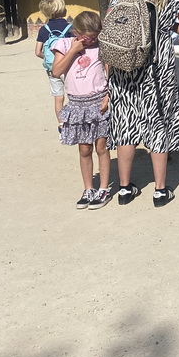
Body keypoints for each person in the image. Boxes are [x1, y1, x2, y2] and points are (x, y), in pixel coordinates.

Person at [108, 0, 179, 208]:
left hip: (126, 66)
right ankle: (159, 190)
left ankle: (124, 189)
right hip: (158, 68)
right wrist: (170, 28)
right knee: (158, 126)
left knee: (126, 126)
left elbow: (110, 25)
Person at [51, 11, 111, 209]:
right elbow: (56, 71)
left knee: (101, 147)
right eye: (87, 37)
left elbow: (110, 74)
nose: (91, 41)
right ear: (76, 32)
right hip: (77, 104)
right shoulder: (65, 44)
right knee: (84, 148)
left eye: (94, 37)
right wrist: (74, 50)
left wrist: (108, 95)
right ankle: (88, 188)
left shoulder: (101, 47)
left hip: (98, 102)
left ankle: (103, 188)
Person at [35, 0, 70, 130]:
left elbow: (37, 52)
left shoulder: (44, 30)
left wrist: (49, 58)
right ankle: (75, 121)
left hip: (51, 68)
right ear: (62, 11)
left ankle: (61, 124)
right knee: (73, 95)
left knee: (58, 97)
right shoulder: (69, 28)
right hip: (67, 68)